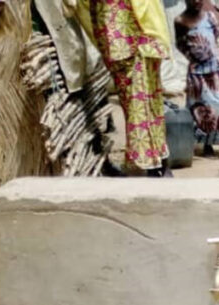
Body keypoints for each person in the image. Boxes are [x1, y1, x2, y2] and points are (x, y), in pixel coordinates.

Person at [73, 0, 173, 176]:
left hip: (127, 40)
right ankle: (153, 164)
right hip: (131, 39)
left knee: (142, 102)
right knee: (142, 102)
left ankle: (153, 163)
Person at [175, 0, 219, 158]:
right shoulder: (180, 21)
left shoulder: (210, 16)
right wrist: (195, 57)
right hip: (197, 72)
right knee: (202, 109)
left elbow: (217, 36)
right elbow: (179, 44)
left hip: (215, 70)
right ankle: (207, 145)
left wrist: (213, 55)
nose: (197, 1)